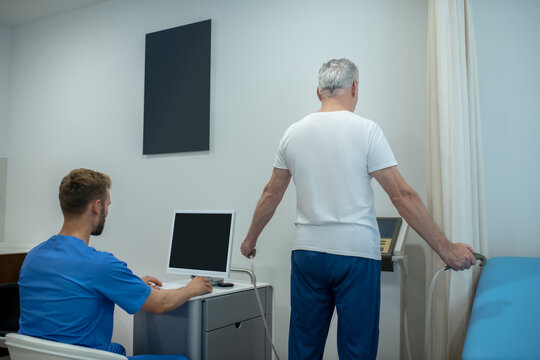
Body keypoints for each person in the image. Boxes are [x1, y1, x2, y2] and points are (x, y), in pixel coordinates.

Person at [240, 58, 476, 360]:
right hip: (355, 256)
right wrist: (445, 249)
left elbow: (271, 193)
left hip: (307, 254)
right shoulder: (367, 131)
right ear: (354, 87)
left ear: (319, 92)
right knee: (357, 350)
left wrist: (250, 240)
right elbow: (402, 195)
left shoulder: (293, 133)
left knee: (304, 347)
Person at [18, 168, 212, 359]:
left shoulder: (33, 257)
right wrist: (192, 288)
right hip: (81, 357)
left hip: (39, 356)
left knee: (117, 349)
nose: (107, 212)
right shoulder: (100, 264)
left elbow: (73, 297)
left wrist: (130, 286)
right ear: (97, 206)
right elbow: (160, 304)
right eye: (108, 205)